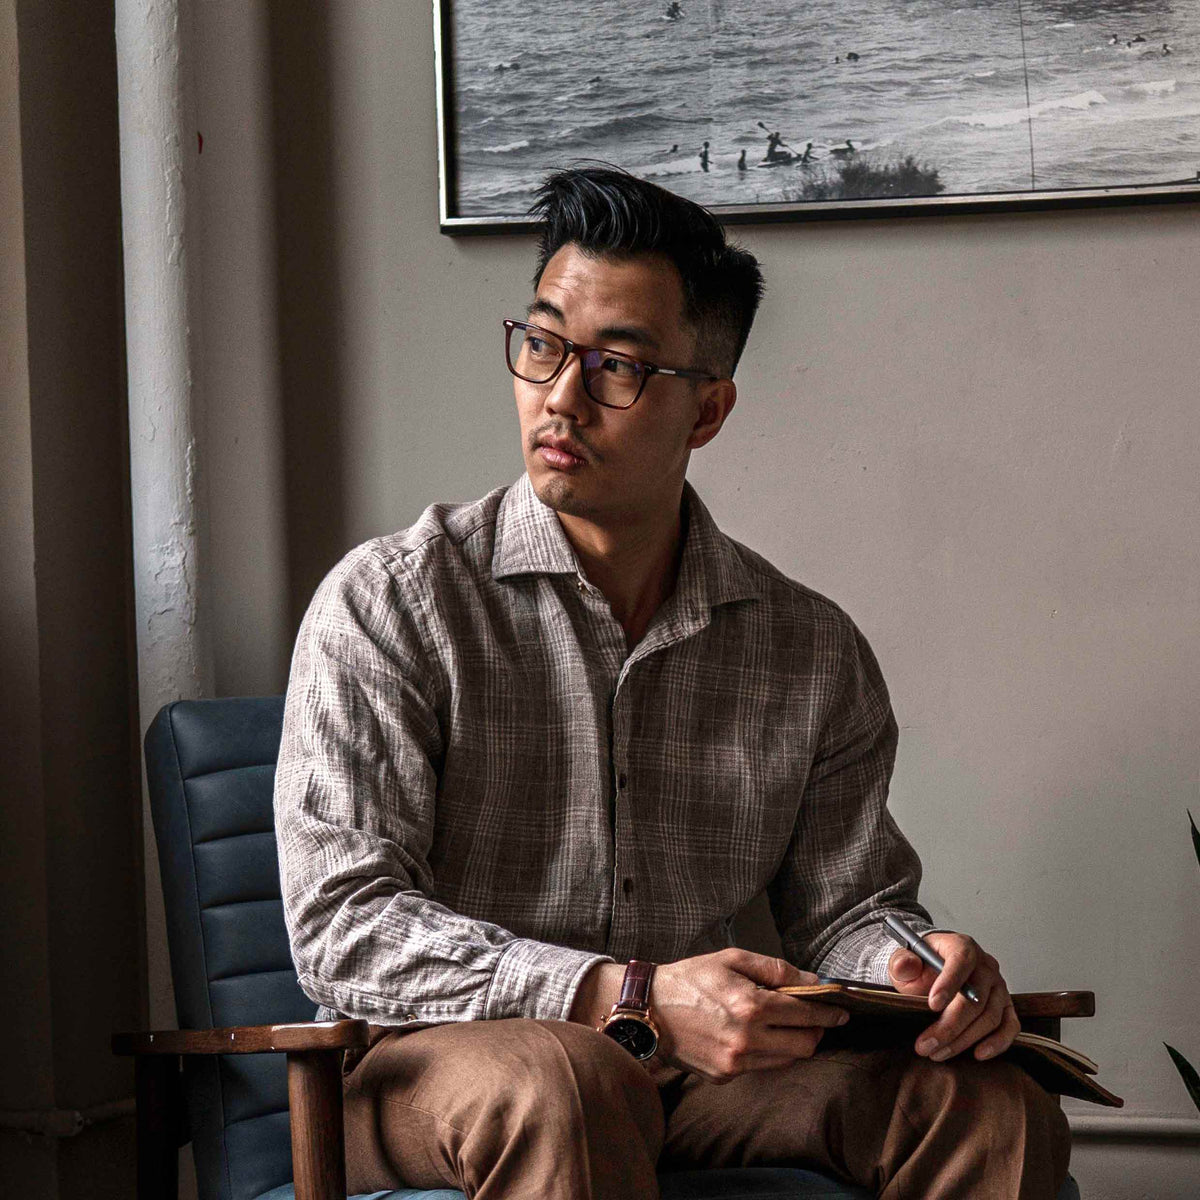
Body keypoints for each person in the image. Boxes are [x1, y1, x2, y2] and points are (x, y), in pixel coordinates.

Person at [275, 166, 1071, 1199]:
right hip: (441, 1074)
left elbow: (844, 908)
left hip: (712, 1086)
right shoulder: (391, 605)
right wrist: (621, 994)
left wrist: (916, 962)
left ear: (707, 412)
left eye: (618, 367)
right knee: (565, 1077)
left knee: (987, 1105)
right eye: (545, 342)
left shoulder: (810, 649)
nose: (560, 395)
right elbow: (347, 922)